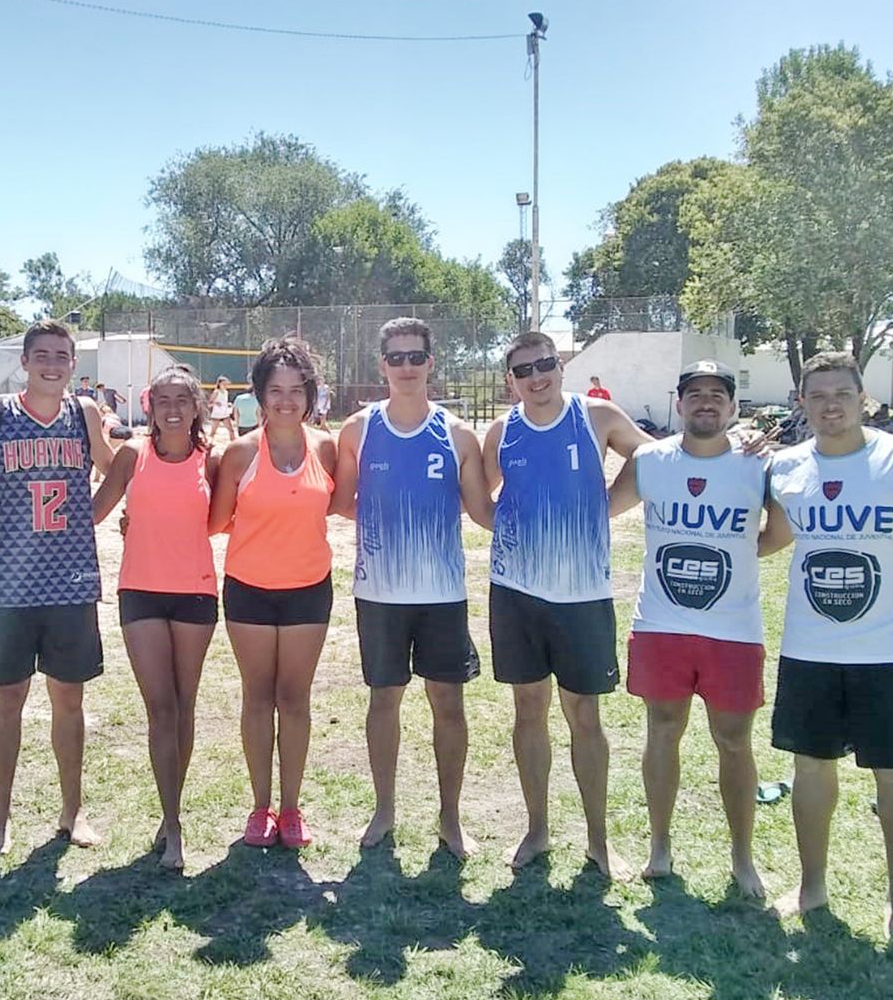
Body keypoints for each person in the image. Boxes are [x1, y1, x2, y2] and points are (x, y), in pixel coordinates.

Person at [761, 352, 893, 941]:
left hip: (892, 653)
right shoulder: (786, 468)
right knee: (810, 770)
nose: (830, 405)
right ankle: (812, 887)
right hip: (811, 648)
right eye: (817, 395)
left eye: (842, 394)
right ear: (801, 403)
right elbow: (768, 539)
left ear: (862, 398)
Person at [483, 331, 655, 879]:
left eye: (545, 365)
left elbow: (650, 457)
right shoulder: (502, 430)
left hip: (582, 597)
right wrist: (507, 527)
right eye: (524, 370)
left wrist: (605, 507)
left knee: (585, 715)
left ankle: (598, 840)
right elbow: (480, 495)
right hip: (516, 594)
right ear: (511, 382)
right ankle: (537, 828)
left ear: (561, 367)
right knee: (527, 710)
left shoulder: (596, 416)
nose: (537, 377)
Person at [333, 318, 493, 858]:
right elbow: (335, 501)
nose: (406, 367)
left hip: (442, 595)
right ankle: (385, 809)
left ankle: (450, 817)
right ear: (382, 366)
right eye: (396, 358)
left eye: (415, 357)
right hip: (379, 594)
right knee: (385, 700)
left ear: (430, 362)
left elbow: (483, 512)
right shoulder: (358, 430)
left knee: (448, 704)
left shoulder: (458, 434)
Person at [608, 361, 768, 896]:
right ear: (679, 403)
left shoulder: (758, 465)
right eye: (694, 393)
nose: (705, 402)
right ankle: (660, 847)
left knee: (733, 740)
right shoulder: (651, 460)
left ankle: (742, 859)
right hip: (661, 625)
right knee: (662, 731)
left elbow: (781, 530)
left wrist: (739, 553)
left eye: (717, 395)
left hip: (733, 629)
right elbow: (601, 509)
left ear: (732, 406)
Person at [0, 318, 115, 855]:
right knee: (7, 700)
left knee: (68, 701)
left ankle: (71, 812)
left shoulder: (85, 414)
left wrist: (95, 515)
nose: (52, 364)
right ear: (24, 361)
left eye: (62, 355)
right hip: (9, 584)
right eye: (42, 355)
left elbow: (115, 467)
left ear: (74, 364)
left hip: (70, 583)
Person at [209, 336, 338, 848]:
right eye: (275, 390)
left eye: (296, 389)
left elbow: (338, 506)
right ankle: (260, 808)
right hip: (249, 592)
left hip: (308, 590)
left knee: (296, 698)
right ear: (259, 395)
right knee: (258, 697)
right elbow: (215, 521)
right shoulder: (239, 454)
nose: (286, 400)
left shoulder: (326, 448)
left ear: (309, 394)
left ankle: (291, 809)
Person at [92, 365, 220, 869]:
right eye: (162, 399)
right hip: (140, 592)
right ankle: (174, 827)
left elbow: (233, 513)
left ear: (196, 407)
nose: (172, 409)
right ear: (148, 406)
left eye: (182, 400)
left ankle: (172, 812)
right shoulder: (131, 456)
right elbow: (93, 513)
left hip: (196, 594)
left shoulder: (214, 460)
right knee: (160, 709)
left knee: (184, 707)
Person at [206, 375, 236, 444]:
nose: (225, 385)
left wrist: (228, 404)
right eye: (224, 384)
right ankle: (209, 444)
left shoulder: (226, 392)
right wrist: (215, 403)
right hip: (217, 415)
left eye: (226, 384)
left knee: (231, 430)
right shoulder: (216, 392)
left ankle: (234, 444)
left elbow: (223, 402)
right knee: (213, 432)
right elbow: (209, 404)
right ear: (219, 384)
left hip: (225, 414)